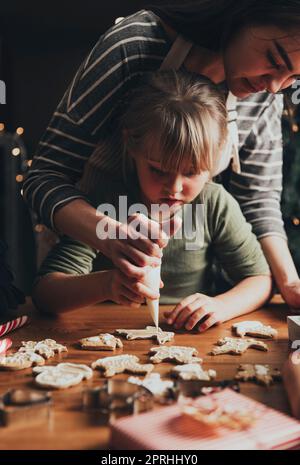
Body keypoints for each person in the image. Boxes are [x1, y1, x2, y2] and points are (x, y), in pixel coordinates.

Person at [24, 1, 300, 308]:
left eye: (294, 78)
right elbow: (44, 176)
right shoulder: (134, 45)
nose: (275, 87)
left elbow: (259, 200)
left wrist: (290, 283)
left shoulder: (264, 96)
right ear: (245, 12)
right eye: (275, 60)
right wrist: (109, 236)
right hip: (89, 240)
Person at [32, 71, 272, 332]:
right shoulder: (108, 204)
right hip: (103, 334)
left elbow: (259, 280)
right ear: (131, 145)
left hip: (188, 339)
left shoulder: (214, 204)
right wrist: (107, 285)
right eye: (158, 170)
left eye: (191, 172)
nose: (175, 188)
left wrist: (222, 306)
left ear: (217, 155)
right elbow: (46, 294)